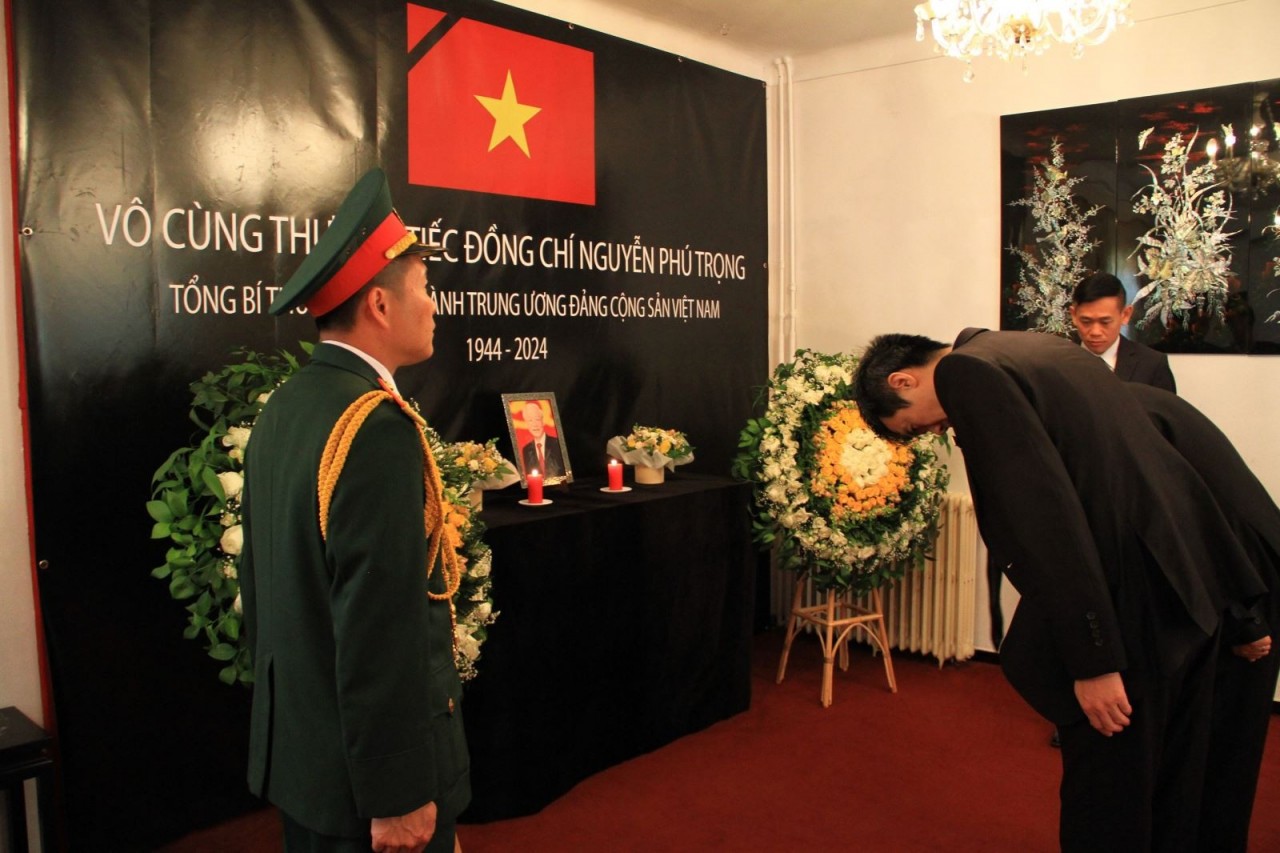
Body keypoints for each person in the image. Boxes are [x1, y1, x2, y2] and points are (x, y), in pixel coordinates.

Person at [853, 328, 1267, 852]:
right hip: (1180, 585)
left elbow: (1045, 522)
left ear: (903, 379)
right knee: (1173, 777)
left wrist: (1092, 661)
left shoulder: (967, 373)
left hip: (1126, 601)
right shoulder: (1029, 345)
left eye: (914, 425)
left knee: (1111, 794)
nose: (936, 430)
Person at [240, 168, 470, 853]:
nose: (434, 307)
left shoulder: (286, 407)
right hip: (366, 789)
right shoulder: (373, 426)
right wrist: (399, 793)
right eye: (425, 290)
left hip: (306, 761)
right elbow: (379, 625)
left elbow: (262, 592)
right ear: (378, 304)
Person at [1127, 383, 1280, 853]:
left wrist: (1244, 624)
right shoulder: (1135, 406)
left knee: (1223, 750)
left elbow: (1201, 528)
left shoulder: (1131, 425)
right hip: (1235, 583)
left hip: (1248, 587)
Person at [1070, 271, 1176, 391]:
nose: (1095, 332)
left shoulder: (1152, 365)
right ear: (1073, 315)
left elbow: (1166, 409)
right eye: (1086, 321)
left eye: (1105, 322)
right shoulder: (1056, 363)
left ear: (1125, 315)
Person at [518, 400, 566, 479]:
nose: (535, 424)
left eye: (537, 419)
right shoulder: (526, 450)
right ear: (527, 424)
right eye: (530, 420)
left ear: (542, 421)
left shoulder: (557, 443)